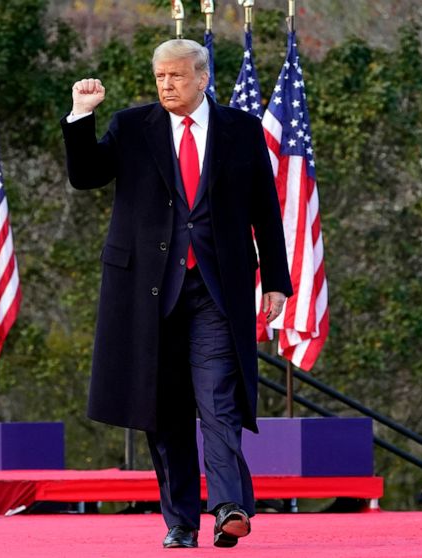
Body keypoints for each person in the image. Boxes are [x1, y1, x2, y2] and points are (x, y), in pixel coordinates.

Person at [61, 38, 292, 549]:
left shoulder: (241, 130)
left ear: (202, 77)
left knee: (218, 401)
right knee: (163, 413)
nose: (166, 85)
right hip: (146, 291)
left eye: (177, 76)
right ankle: (181, 520)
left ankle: (229, 504)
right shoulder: (131, 126)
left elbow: (265, 209)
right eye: (160, 76)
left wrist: (276, 279)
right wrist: (81, 115)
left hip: (216, 289)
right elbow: (86, 176)